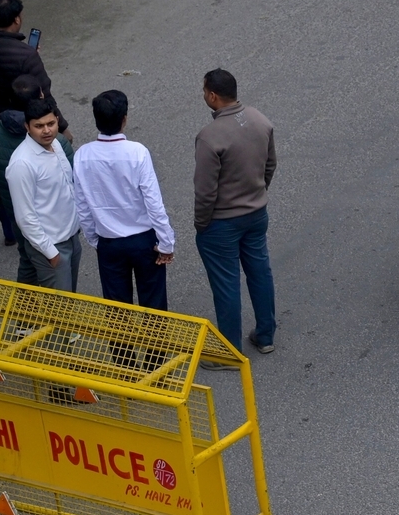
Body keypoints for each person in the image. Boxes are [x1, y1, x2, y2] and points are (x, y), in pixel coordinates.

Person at [194, 68, 277, 360]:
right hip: (256, 214)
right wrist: (257, 193)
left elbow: (205, 191)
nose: (204, 96)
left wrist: (202, 224)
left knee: (226, 283)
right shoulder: (260, 120)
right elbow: (270, 165)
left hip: (222, 223)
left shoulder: (209, 137)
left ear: (213, 96)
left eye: (204, 92)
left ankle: (229, 352)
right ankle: (265, 335)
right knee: (259, 272)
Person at [73, 90, 174, 310]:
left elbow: (82, 206)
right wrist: (166, 242)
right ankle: (156, 346)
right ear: (124, 119)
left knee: (117, 310)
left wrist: (95, 240)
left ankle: (121, 346)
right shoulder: (137, 152)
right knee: (154, 305)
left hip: (108, 242)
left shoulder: (82, 155)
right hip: (144, 242)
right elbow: (153, 202)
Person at [0, 0, 68, 135]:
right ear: (16, 19)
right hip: (27, 122)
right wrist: (63, 127)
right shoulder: (26, 56)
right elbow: (45, 96)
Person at [7, 98, 82, 291]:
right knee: (59, 311)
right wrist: (52, 254)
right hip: (52, 248)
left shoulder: (56, 145)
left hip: (71, 239)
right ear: (27, 127)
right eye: (39, 126)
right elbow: (25, 217)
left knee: (70, 301)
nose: (46, 130)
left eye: (50, 124)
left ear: (57, 120)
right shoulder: (22, 164)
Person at [0, 75, 57, 248]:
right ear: (41, 97)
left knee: (26, 256)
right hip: (50, 213)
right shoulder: (52, 136)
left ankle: (10, 236)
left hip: (10, 206)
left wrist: (2, 200)